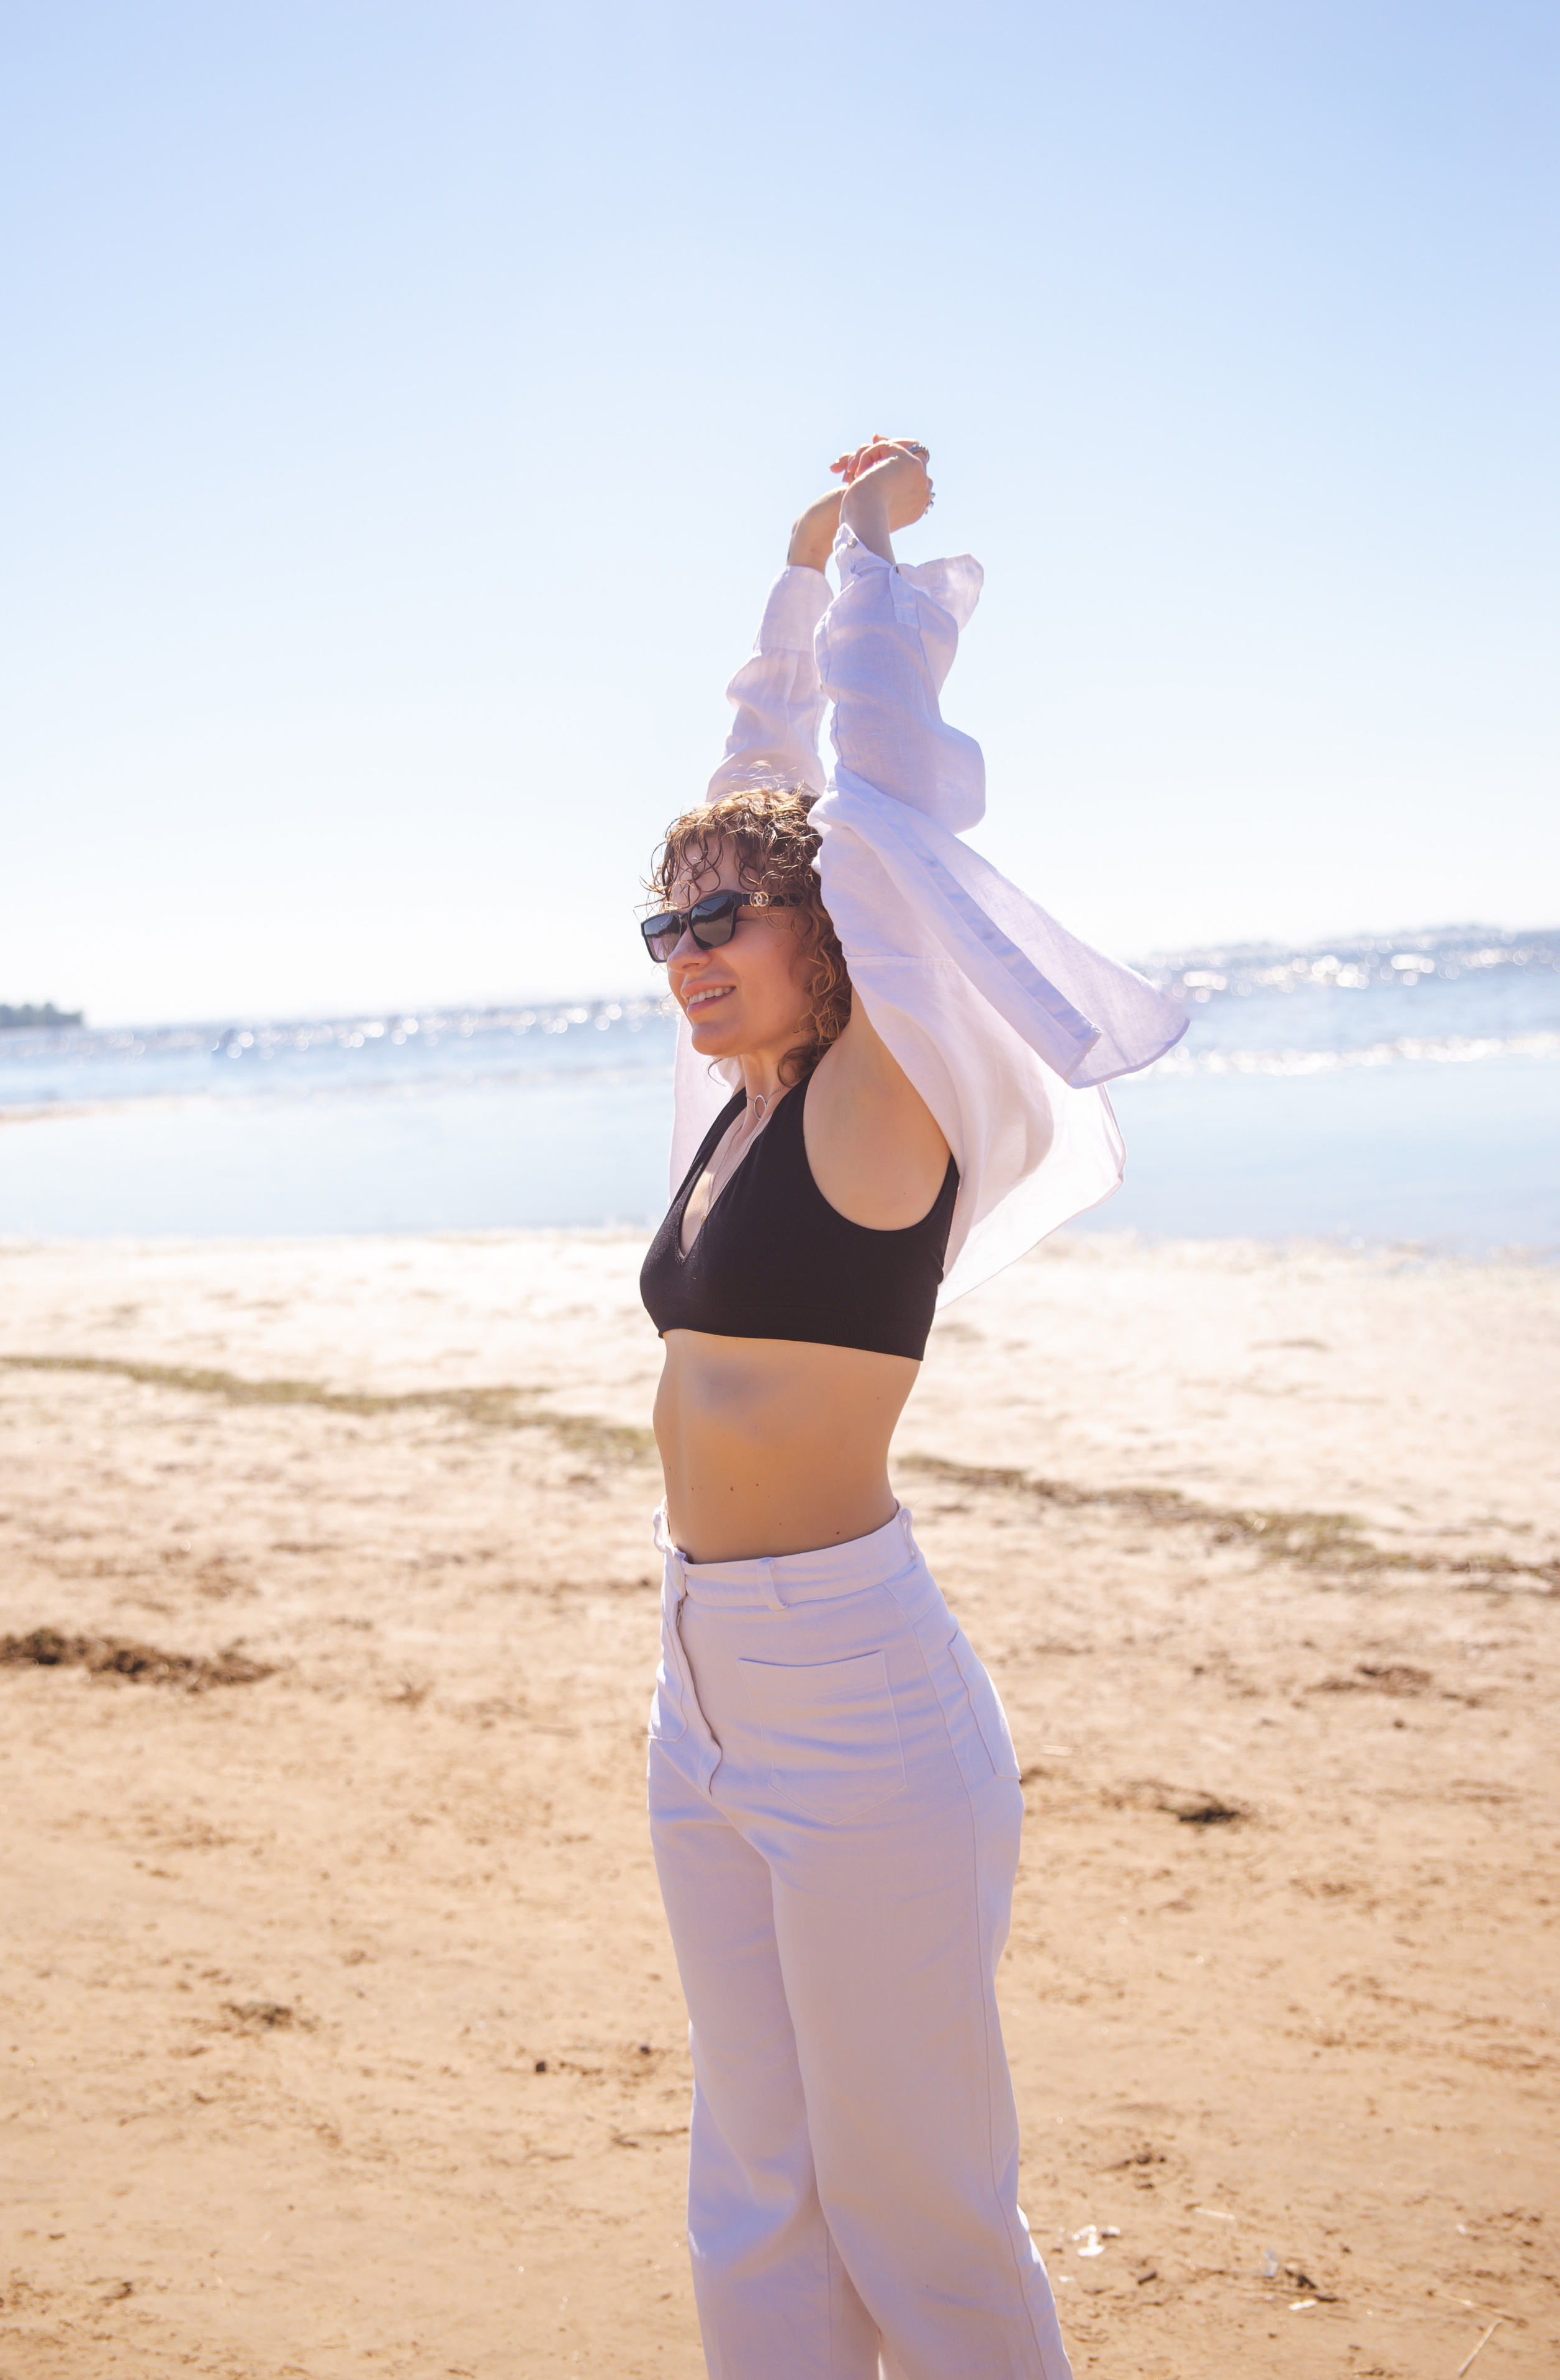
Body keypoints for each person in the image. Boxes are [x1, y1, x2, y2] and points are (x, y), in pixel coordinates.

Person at [638, 439, 1182, 2380]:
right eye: (666, 933)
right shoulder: (738, 1112)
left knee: (919, 2203)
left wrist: (871, 567)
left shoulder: (883, 1097)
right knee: (756, 2177)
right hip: (697, 1686)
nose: (691, 958)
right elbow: (749, 803)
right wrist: (777, 598)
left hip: (860, 1695)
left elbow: (853, 813)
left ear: (827, 936)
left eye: (727, 927)